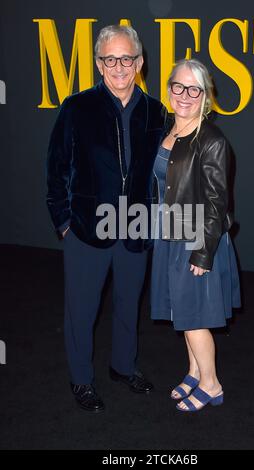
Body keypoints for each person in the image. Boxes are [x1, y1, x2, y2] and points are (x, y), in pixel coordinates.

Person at [46, 25, 167, 412]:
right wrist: (64, 221)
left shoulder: (154, 110)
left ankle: (123, 366)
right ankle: (81, 379)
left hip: (134, 226)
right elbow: (56, 168)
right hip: (86, 227)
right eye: (110, 59)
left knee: (128, 303)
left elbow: (162, 171)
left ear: (140, 62)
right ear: (99, 64)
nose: (119, 66)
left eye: (126, 58)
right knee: (82, 309)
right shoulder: (77, 106)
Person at [151, 59, 241, 412]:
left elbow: (218, 204)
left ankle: (211, 383)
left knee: (195, 319)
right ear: (169, 88)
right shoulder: (169, 131)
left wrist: (202, 253)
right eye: (179, 86)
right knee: (184, 315)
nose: (185, 95)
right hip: (171, 236)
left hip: (198, 240)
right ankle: (193, 372)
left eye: (194, 89)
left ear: (205, 96)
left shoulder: (213, 141)